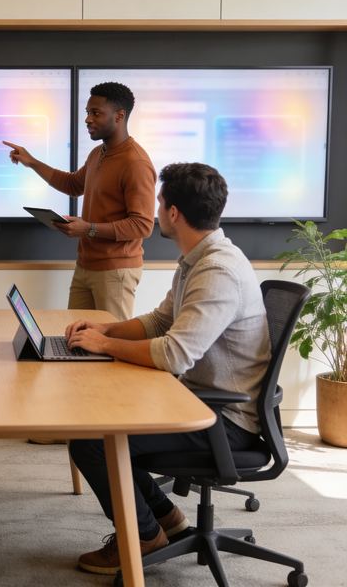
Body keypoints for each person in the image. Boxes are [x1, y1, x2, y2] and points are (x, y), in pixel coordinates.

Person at [63, 162, 270, 575]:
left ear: (173, 213)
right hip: (197, 400)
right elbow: (160, 321)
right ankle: (168, 520)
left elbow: (175, 353)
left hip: (222, 420)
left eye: (159, 204)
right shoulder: (198, 258)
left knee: (91, 438)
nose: (156, 211)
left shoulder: (218, 271)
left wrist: (105, 345)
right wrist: (105, 327)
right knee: (105, 424)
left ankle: (141, 537)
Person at [3, 81, 156, 321]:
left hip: (116, 270)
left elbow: (142, 225)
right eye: (87, 112)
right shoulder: (98, 153)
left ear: (119, 116)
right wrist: (31, 161)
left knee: (112, 343)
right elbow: (73, 185)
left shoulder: (135, 163)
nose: (87, 119)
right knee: (75, 337)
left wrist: (88, 228)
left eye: (96, 113)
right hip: (86, 265)